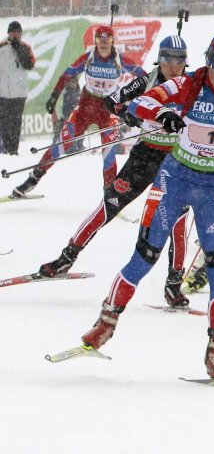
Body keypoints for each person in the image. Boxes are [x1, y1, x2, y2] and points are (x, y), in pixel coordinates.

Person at [77, 35, 214, 379]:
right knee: (146, 256)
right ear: (208, 64)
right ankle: (106, 322)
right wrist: (164, 112)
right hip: (176, 181)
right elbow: (141, 104)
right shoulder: (190, 82)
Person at [36, 36, 192, 308]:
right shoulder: (147, 81)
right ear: (160, 59)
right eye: (168, 60)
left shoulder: (192, 86)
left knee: (176, 221)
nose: (174, 66)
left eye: (179, 60)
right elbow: (112, 102)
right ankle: (67, 256)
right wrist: (128, 115)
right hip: (145, 155)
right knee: (108, 206)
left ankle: (173, 284)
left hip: (177, 161)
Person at [10, 25, 146, 198]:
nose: (103, 44)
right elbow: (67, 74)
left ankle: (109, 193)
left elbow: (144, 77)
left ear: (112, 41)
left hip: (109, 108)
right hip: (85, 107)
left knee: (109, 152)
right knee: (61, 145)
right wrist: (54, 95)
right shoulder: (88, 58)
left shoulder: (120, 60)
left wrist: (140, 98)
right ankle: (33, 179)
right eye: (100, 40)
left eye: (107, 40)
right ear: (95, 41)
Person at [0, 20, 35, 155]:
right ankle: (6, 148)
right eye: (14, 32)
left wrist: (18, 48)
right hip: (2, 91)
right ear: (8, 33)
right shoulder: (1, 46)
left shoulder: (25, 47)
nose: (16, 35)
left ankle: (13, 149)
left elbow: (29, 64)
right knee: (3, 122)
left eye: (19, 32)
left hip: (18, 92)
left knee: (15, 122)